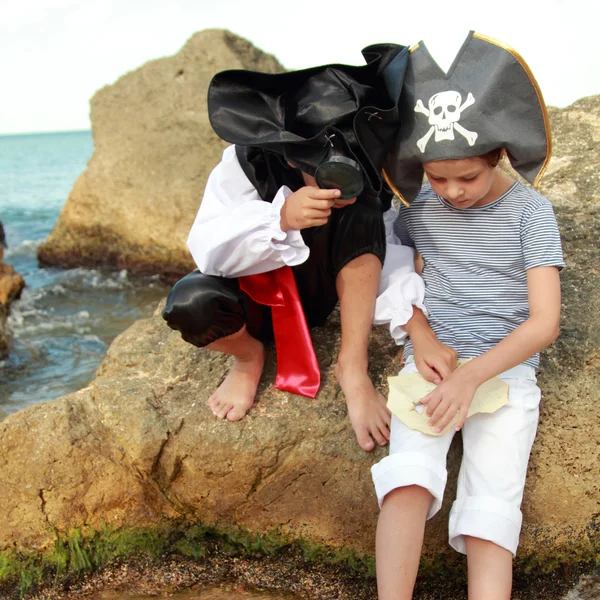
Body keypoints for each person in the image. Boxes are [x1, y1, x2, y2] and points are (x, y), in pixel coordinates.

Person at [162, 44, 450, 452]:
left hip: (320, 291)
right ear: (295, 157)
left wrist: (417, 329)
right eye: (329, 173)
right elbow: (207, 251)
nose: (340, 188)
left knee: (364, 206)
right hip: (253, 298)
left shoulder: (367, 182)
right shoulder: (246, 163)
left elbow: (383, 250)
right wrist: (279, 219)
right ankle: (247, 357)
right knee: (191, 304)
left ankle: (352, 367)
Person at [372, 32, 564, 599]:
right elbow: (390, 269)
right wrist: (422, 336)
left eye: (468, 178)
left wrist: (473, 375)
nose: (452, 191)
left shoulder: (531, 211)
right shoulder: (419, 205)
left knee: (491, 502)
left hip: (503, 366)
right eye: (437, 177)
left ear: (498, 154)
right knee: (407, 478)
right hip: (432, 361)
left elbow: (544, 321)